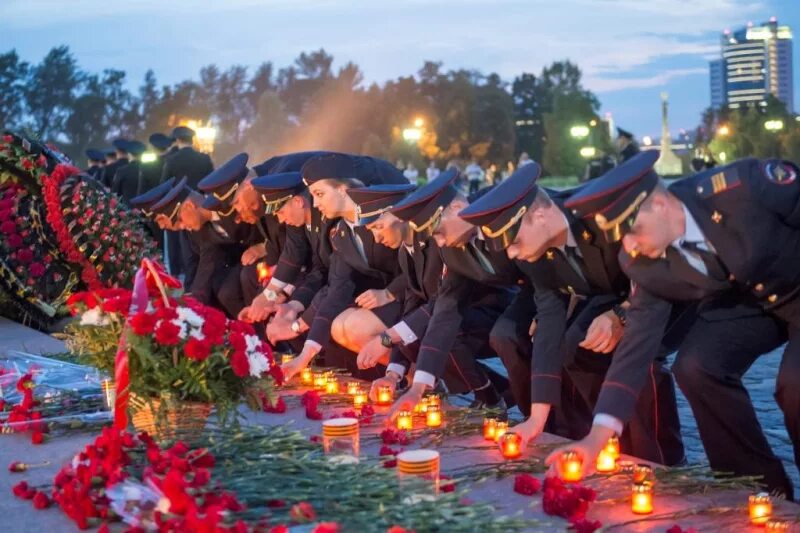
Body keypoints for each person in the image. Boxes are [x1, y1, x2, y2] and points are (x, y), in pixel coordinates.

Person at [548, 151, 800, 498]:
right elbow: (636, 345)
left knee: (795, 384)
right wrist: (596, 437)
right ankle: (755, 487)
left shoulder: (746, 187)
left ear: (661, 205)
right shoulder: (641, 260)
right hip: (750, 303)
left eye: (633, 230)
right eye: (621, 238)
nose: (630, 246)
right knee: (697, 367)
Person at [459, 161, 687, 464]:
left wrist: (621, 315)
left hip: (671, 289)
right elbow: (551, 319)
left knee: (640, 355)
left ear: (539, 214)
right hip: (610, 295)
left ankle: (661, 458)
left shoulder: (598, 216)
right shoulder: (534, 252)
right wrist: (536, 419)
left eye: (514, 242)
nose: (512, 255)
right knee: (574, 345)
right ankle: (603, 437)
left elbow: (656, 271)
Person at [375, 169, 525, 420]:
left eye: (439, 231)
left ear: (456, 207)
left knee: (509, 334)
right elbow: (446, 308)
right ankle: (517, 405)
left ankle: (531, 408)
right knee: (435, 329)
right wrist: (418, 387)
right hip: (511, 306)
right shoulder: (452, 249)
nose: (441, 243)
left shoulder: (498, 214)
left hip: (518, 301)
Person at [278, 153, 406, 382]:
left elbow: (419, 269)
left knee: (355, 325)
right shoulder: (340, 233)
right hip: (387, 303)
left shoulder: (383, 217)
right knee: (339, 325)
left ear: (343, 189)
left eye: (319, 194)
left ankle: (420, 378)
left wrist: (389, 292)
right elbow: (336, 289)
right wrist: (303, 357)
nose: (315, 204)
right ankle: (407, 375)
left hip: (413, 299)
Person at [149, 178, 251, 317]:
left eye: (180, 220)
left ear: (189, 206)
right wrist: (191, 299)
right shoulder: (198, 227)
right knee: (221, 290)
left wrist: (262, 247)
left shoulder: (225, 206)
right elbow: (199, 262)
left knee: (229, 290)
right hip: (236, 264)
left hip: (258, 257)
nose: (182, 227)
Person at [112, 140, 147, 205]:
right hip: (147, 209)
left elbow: (115, 192)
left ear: (129, 154)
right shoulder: (149, 168)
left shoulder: (122, 171)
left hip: (128, 210)